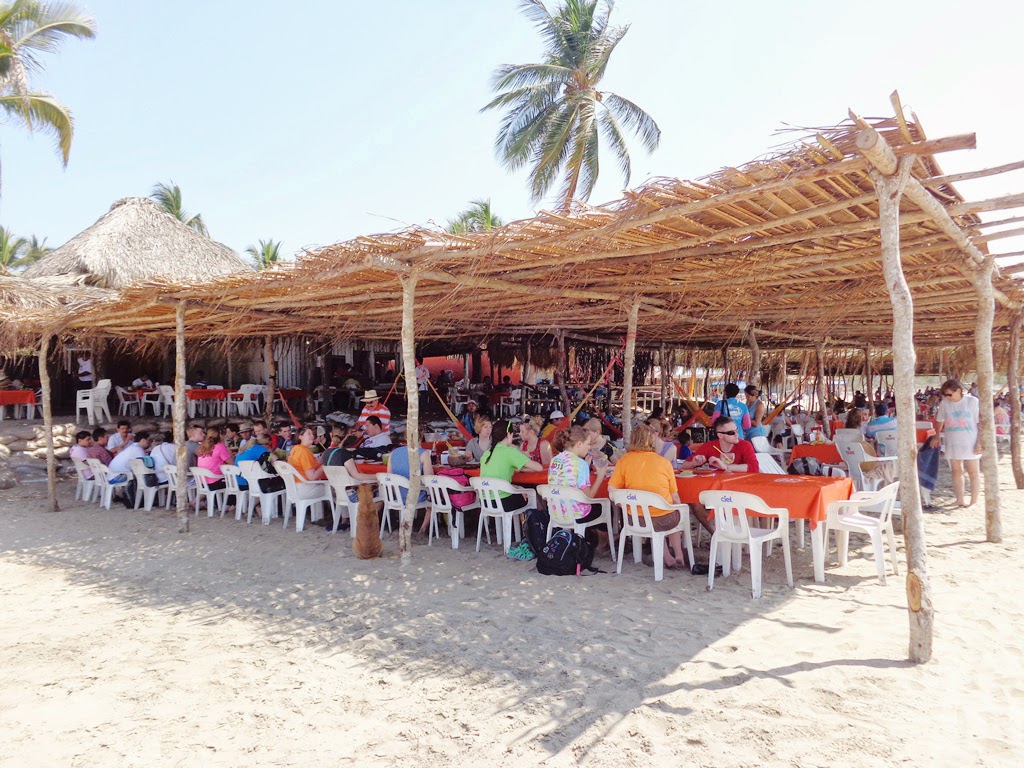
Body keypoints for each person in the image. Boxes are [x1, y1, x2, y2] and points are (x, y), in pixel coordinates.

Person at [608, 424, 688, 569]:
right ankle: (678, 554)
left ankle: (667, 557)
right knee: (673, 511)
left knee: (659, 515)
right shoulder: (663, 462)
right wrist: (680, 508)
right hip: (663, 519)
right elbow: (674, 496)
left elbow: (612, 491)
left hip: (635, 519)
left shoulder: (624, 461)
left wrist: (624, 505)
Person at [681, 416, 760, 534]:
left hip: (739, 490)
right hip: (715, 490)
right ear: (720, 435)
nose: (736, 434)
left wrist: (725, 467)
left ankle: (725, 534)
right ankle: (716, 534)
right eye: (731, 432)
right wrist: (694, 462)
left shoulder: (744, 445)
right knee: (694, 500)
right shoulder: (710, 446)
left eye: (737, 430)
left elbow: (754, 468)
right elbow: (684, 466)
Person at [547, 425, 610, 544]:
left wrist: (585, 465)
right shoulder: (580, 464)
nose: (589, 447)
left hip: (556, 511)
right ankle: (603, 541)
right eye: (588, 444)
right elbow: (589, 496)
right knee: (603, 506)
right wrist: (600, 476)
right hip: (576, 514)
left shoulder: (555, 460)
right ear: (579, 444)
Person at [936, 379, 980, 508]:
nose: (948, 397)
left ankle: (973, 501)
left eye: (950, 394)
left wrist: (979, 442)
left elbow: (980, 423)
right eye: (945, 395)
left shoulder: (972, 402)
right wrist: (937, 434)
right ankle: (959, 499)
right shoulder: (945, 403)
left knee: (973, 472)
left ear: (959, 391)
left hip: (970, 440)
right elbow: (940, 419)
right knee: (956, 471)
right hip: (953, 441)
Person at [480, 420, 543, 510]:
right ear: (509, 434)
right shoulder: (510, 452)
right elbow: (539, 468)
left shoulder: (487, 453)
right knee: (531, 493)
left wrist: (517, 487)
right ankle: (534, 522)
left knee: (520, 491)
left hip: (485, 502)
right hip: (503, 502)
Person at [387, 437, 434, 533]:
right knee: (435, 496)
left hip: (397, 496)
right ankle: (423, 528)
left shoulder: (394, 452)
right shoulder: (423, 453)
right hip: (414, 497)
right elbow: (429, 479)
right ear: (420, 439)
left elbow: (389, 476)